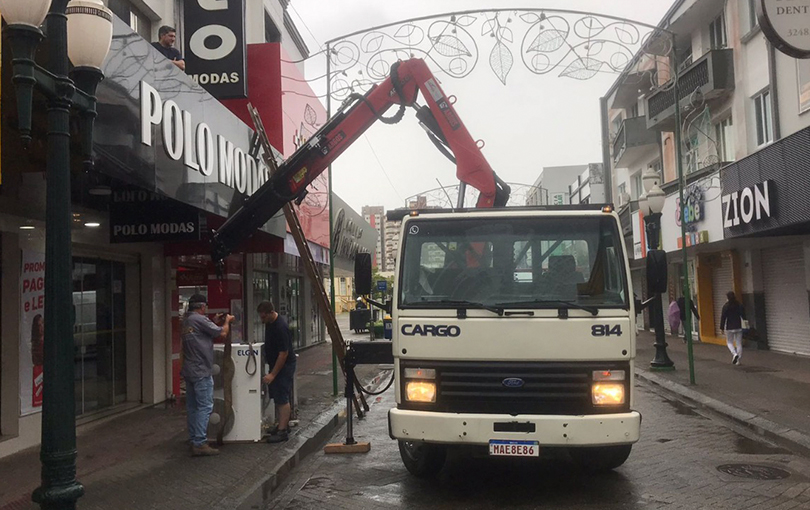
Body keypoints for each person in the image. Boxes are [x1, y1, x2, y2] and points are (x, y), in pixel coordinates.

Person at [181, 293, 234, 456]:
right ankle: (200, 442)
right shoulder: (199, 319)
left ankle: (194, 438)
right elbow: (222, 334)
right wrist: (227, 322)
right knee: (205, 406)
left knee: (192, 406)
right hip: (201, 370)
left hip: (189, 370)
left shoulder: (187, 320)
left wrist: (215, 322)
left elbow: (204, 332)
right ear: (202, 307)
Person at [258, 301, 297, 443]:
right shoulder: (270, 324)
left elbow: (283, 353)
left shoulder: (280, 327)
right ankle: (282, 425)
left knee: (282, 396)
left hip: (284, 366)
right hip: (276, 364)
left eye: (263, 317)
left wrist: (273, 374)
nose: (262, 320)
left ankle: (282, 431)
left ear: (270, 313)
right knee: (277, 395)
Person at [720, 291, 746, 365]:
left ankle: (734, 354)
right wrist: (746, 326)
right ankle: (738, 360)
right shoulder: (739, 305)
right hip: (738, 326)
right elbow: (744, 316)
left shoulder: (726, 306)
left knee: (729, 342)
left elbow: (723, 317)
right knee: (739, 343)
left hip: (730, 327)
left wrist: (721, 327)